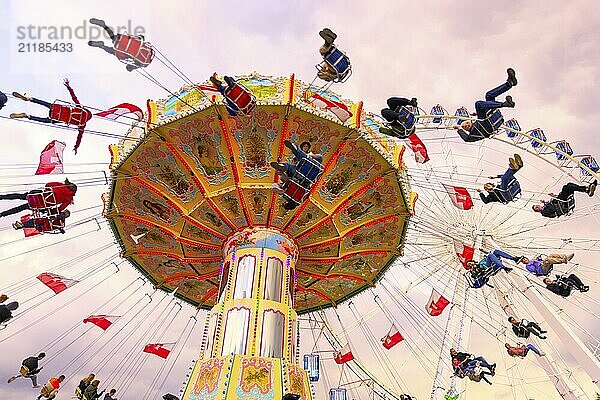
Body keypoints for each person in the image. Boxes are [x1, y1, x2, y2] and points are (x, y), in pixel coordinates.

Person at [10, 79, 92, 153]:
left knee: (43, 103)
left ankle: (29, 99)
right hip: (56, 118)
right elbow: (79, 137)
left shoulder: (81, 108)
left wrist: (68, 87)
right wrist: (76, 147)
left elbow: (74, 97)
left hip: (57, 109)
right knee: (43, 120)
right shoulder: (82, 124)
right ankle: (27, 116)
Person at [453, 68, 518, 142]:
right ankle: (504, 104)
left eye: (466, 123)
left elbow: (479, 116)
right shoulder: (473, 134)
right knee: (478, 104)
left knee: (489, 95)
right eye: (465, 127)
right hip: (487, 126)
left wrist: (477, 113)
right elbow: (466, 139)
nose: (467, 125)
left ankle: (509, 83)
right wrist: (459, 129)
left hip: (490, 118)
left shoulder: (477, 121)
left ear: (470, 121)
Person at [271, 140, 324, 210]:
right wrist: (282, 175)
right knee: (290, 167)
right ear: (287, 203)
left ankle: (292, 155)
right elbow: (287, 181)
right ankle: (283, 166)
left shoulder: (301, 200)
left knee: (301, 160)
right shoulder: (287, 196)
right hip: (299, 174)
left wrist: (311, 156)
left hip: (308, 177)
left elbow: (308, 191)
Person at [88, 18, 153, 71]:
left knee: (113, 37)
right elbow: (131, 66)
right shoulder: (141, 63)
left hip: (125, 41)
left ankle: (104, 26)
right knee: (112, 51)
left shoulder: (147, 50)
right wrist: (131, 68)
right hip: (123, 50)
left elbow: (141, 38)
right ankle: (101, 46)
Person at [0, 179, 77, 218]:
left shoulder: (61, 185)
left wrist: (48, 192)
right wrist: (50, 210)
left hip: (36, 196)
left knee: (20, 196)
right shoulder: (69, 199)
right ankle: (2, 214)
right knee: (20, 208)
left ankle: (2, 197)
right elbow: (60, 208)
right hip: (40, 205)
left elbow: (47, 185)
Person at [533, 180, 597, 218]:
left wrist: (553, 196)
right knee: (565, 187)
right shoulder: (544, 213)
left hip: (561, 202)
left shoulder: (545, 206)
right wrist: (546, 203)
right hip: (562, 205)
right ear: (537, 211)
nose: (538, 206)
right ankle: (586, 189)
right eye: (536, 208)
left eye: (537, 205)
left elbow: (556, 201)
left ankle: (587, 189)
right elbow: (552, 209)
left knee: (569, 185)